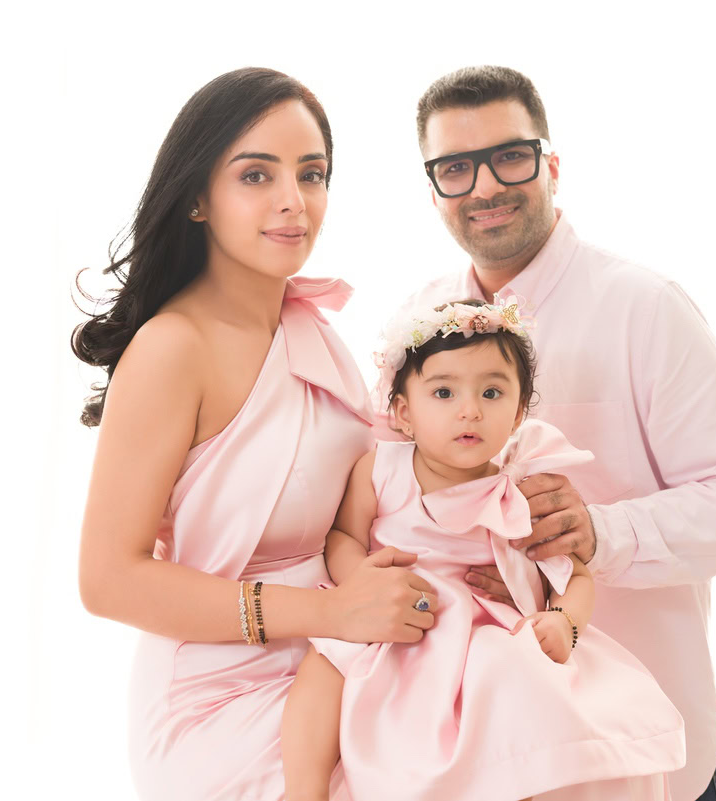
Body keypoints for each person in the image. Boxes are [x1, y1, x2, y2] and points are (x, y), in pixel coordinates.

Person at [380, 66, 716, 801]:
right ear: (433, 190)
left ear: (551, 165)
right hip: (480, 769)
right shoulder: (415, 322)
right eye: (455, 168)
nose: (485, 186)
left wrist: (595, 532)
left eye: (510, 156)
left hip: (650, 757)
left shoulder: (646, 308)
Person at [71, 68, 440, 801]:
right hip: (219, 697)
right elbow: (106, 578)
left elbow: (367, 496)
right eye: (256, 175)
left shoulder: (314, 332)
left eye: (312, 174)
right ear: (199, 198)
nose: (292, 201)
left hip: (332, 663)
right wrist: (329, 611)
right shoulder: (174, 346)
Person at [281, 298, 685, 801]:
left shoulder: (519, 492)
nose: (469, 409)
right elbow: (342, 536)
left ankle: (516, 778)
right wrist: (360, 575)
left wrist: (565, 622)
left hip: (482, 628)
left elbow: (574, 575)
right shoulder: (381, 469)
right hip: (395, 611)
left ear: (518, 414)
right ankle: (304, 786)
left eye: (491, 393)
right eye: (444, 392)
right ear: (404, 412)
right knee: (327, 660)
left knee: (520, 682)